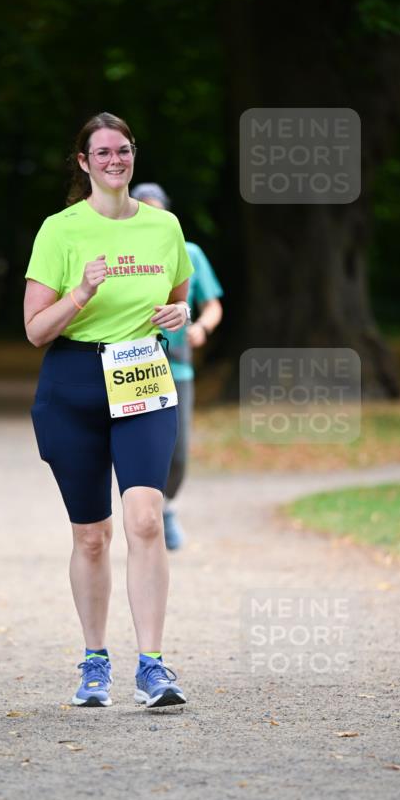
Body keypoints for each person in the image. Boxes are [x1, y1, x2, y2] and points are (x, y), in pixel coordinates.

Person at [24, 112, 194, 709]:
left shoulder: (164, 226)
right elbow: (35, 330)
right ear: (84, 162)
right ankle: (95, 662)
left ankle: (153, 666)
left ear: (133, 154)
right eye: (102, 152)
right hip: (73, 382)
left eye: (122, 150)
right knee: (92, 535)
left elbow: (179, 297)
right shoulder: (61, 230)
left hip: (142, 373)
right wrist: (81, 292)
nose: (114, 161)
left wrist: (180, 315)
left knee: (145, 519)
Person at [131, 183, 224, 550]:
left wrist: (202, 327)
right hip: (134, 363)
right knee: (137, 444)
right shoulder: (124, 254)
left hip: (178, 367)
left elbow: (212, 305)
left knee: (179, 451)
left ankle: (166, 506)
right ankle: (143, 515)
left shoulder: (190, 253)